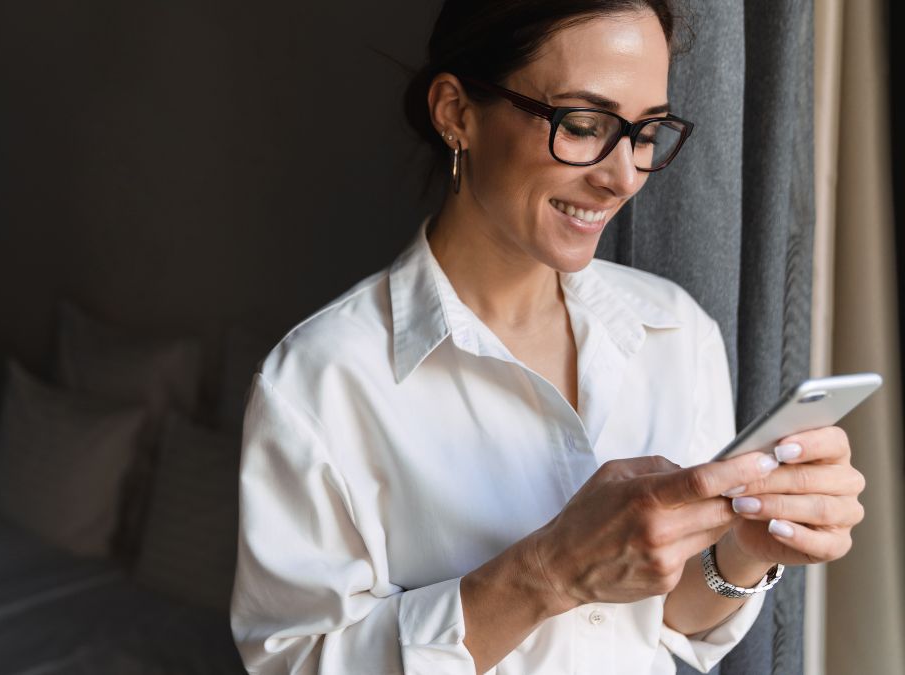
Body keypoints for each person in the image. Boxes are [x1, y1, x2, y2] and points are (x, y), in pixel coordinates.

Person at [229, 2, 867, 673]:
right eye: (584, 125)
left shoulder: (677, 332)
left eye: (646, 132)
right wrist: (547, 572)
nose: (623, 177)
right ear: (456, 112)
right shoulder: (318, 382)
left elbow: (666, 622)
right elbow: (297, 661)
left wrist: (745, 551)